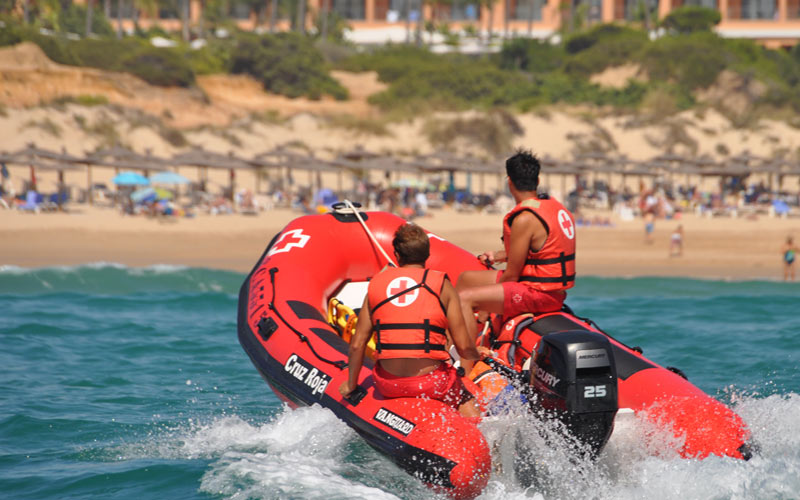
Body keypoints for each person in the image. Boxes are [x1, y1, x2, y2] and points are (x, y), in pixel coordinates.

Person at [339, 223, 489, 417]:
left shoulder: (376, 285)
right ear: (427, 255)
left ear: (397, 255)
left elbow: (357, 345)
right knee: (472, 408)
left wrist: (351, 384)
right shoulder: (442, 285)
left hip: (388, 384)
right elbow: (463, 347)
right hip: (431, 383)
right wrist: (477, 354)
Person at [456, 150, 576, 345]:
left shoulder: (524, 219)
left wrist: (487, 308)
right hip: (546, 288)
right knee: (466, 279)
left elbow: (511, 275)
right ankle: (459, 343)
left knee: (464, 298)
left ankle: (467, 365)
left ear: (509, 182)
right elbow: (541, 251)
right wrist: (498, 255)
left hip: (540, 294)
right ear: (537, 181)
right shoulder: (554, 208)